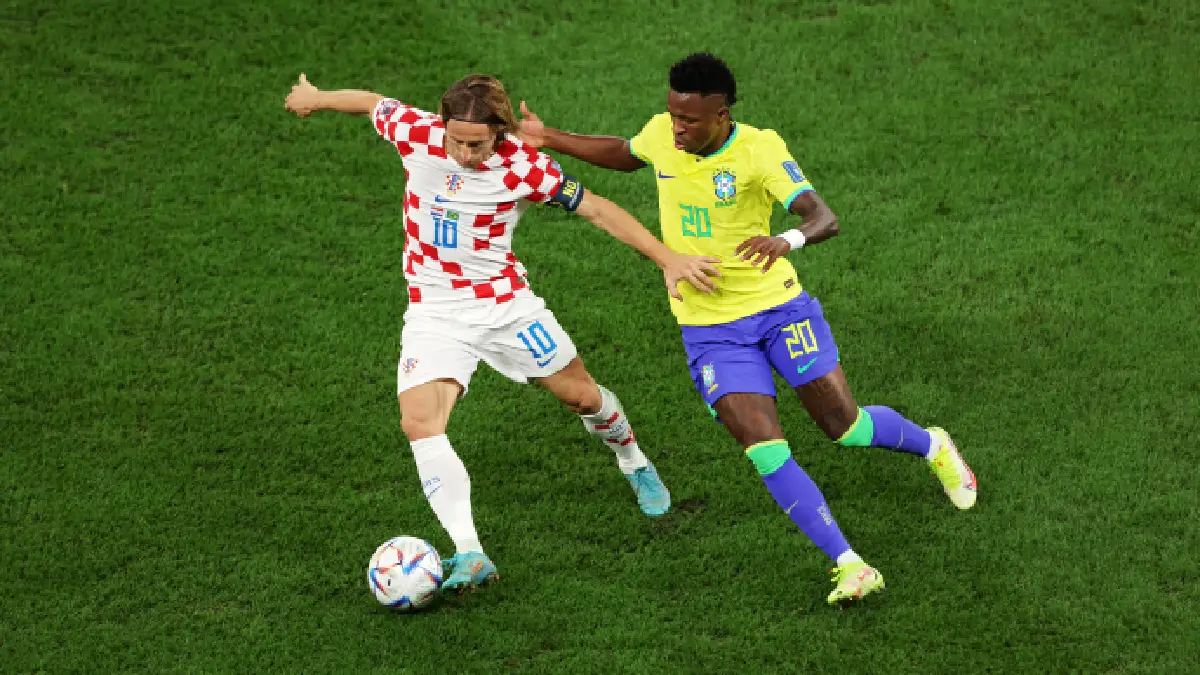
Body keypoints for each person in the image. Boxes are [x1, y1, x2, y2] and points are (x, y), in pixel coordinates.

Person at [519, 53, 977, 605]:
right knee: (764, 448)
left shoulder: (759, 150)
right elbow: (626, 152)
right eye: (672, 115)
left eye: (689, 120)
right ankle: (851, 564)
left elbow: (822, 217)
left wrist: (787, 241)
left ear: (722, 114)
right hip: (709, 327)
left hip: (780, 310)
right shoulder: (664, 135)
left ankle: (933, 445)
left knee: (845, 427)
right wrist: (550, 138)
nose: (676, 127)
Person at [284, 72, 720, 592]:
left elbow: (599, 210)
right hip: (434, 311)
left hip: (506, 310)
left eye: (477, 145)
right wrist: (317, 99)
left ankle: (632, 457)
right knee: (419, 422)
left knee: (583, 398)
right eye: (457, 142)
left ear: (500, 131)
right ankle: (470, 553)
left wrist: (667, 258)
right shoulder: (416, 132)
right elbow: (374, 103)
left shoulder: (524, 165)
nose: (466, 154)